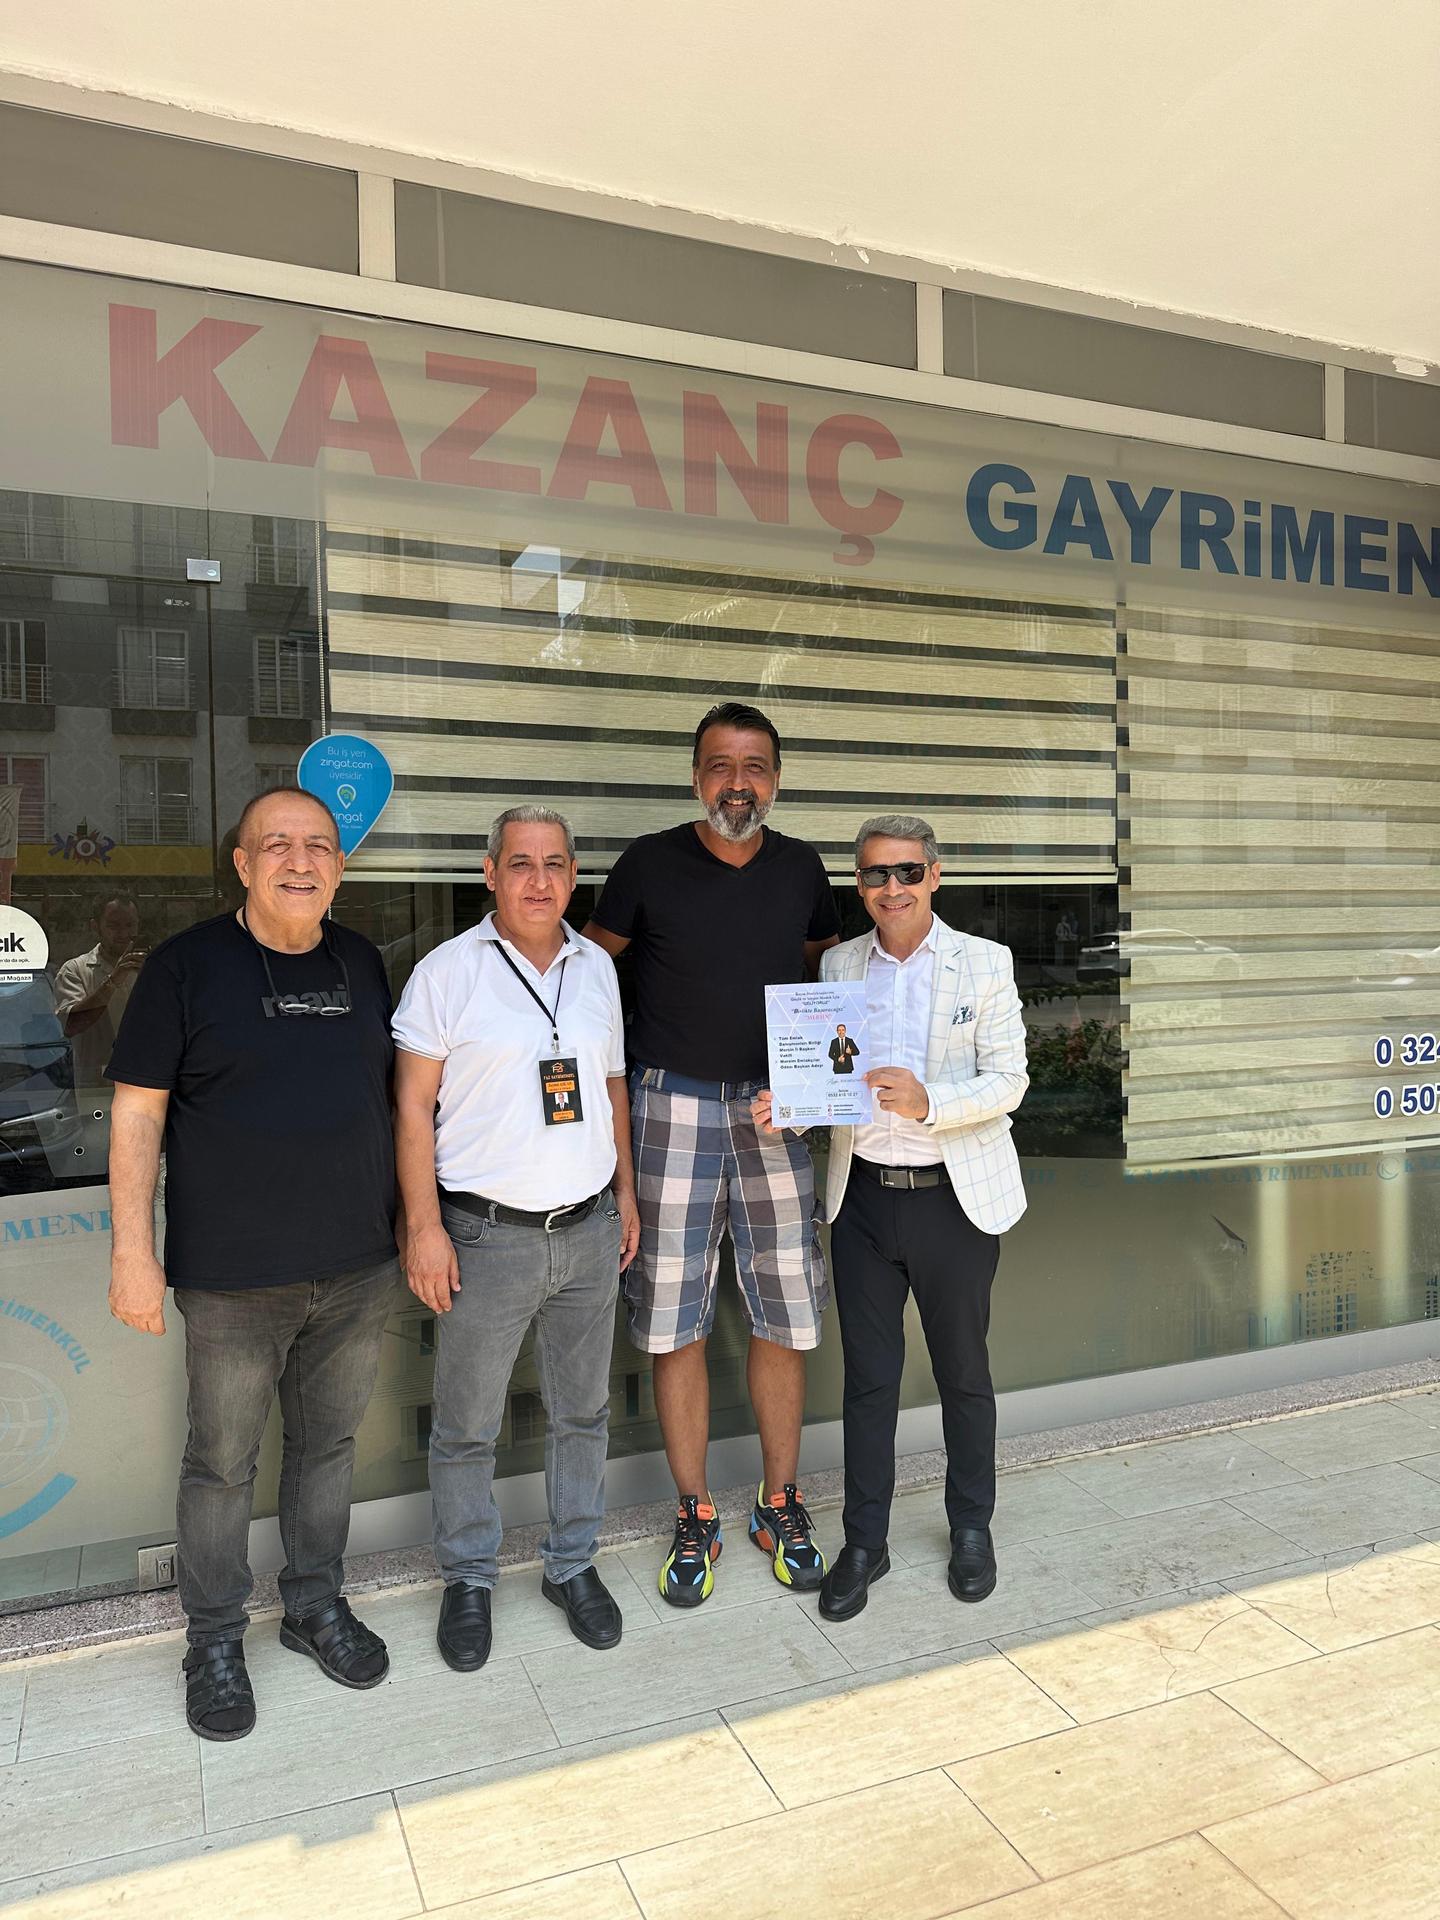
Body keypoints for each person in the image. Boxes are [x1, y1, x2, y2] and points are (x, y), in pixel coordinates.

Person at [106, 787, 402, 1740]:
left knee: (328, 1449)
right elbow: (138, 1114)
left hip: (357, 1267)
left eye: (319, 845)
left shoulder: (362, 962)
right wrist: (132, 1251)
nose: (300, 861)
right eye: (277, 844)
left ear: (340, 867)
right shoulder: (184, 967)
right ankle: (215, 1642)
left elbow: (396, 1103)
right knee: (221, 1465)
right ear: (242, 863)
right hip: (233, 1279)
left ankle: (314, 1605)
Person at [583, 701, 839, 1607]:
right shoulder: (648, 864)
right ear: (696, 777)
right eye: (722, 766)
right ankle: (693, 1510)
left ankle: (780, 1500)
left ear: (777, 780)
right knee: (672, 1314)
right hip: (671, 1107)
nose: (739, 783)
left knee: (785, 1310)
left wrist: (813, 1089)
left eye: (756, 766)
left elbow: (826, 981)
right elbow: (589, 972)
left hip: (777, 1114)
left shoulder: (803, 869)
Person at [753, 813, 1028, 1621]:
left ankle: (970, 1527)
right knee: (868, 1383)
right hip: (864, 1199)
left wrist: (930, 1100)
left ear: (934, 876)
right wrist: (792, 1110)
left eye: (908, 871)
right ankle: (864, 1542)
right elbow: (829, 1079)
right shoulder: (839, 964)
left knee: (963, 1374)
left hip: (954, 1199)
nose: (893, 887)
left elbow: (1010, 1080)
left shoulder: (984, 963)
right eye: (876, 874)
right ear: (860, 884)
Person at [393, 805, 639, 1671]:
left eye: (556, 863)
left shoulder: (597, 969)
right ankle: (468, 1577)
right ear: (490, 873)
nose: (540, 880)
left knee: (583, 1413)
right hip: (484, 1235)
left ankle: (572, 1563)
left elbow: (611, 1089)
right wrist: (424, 1226)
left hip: (589, 1229)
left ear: (574, 876)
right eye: (522, 863)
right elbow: (411, 1110)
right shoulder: (446, 973)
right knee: (467, 1424)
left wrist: (627, 1194)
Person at [53, 893, 146, 1095]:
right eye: (113, 926)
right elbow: (72, 1025)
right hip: (96, 1086)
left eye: (130, 925)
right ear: (95, 927)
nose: (123, 933)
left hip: (144, 1081)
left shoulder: (152, 968)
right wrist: (114, 980)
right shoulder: (75, 970)